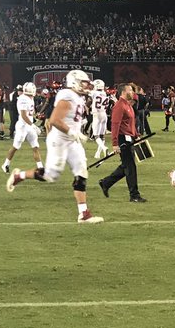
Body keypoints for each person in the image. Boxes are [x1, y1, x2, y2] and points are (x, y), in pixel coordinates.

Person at [6, 69, 104, 224]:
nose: (86, 86)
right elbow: (54, 120)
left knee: (81, 170)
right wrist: (72, 132)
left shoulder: (78, 97)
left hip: (72, 140)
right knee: (51, 175)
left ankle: (83, 213)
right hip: (59, 139)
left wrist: (77, 131)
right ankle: (20, 176)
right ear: (75, 82)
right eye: (83, 82)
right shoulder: (68, 95)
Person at [97, 82, 147, 202]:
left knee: (126, 166)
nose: (133, 93)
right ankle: (134, 195)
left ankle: (106, 183)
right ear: (124, 92)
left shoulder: (128, 105)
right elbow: (115, 126)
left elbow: (130, 124)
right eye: (130, 90)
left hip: (129, 137)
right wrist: (115, 144)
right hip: (122, 139)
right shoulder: (119, 106)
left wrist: (136, 135)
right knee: (130, 167)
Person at [1, 82, 44, 175]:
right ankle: (5, 164)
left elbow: (30, 113)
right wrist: (33, 125)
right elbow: (23, 115)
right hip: (23, 126)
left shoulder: (30, 98)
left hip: (29, 126)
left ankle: (41, 168)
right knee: (16, 147)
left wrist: (36, 117)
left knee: (35, 146)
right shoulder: (23, 99)